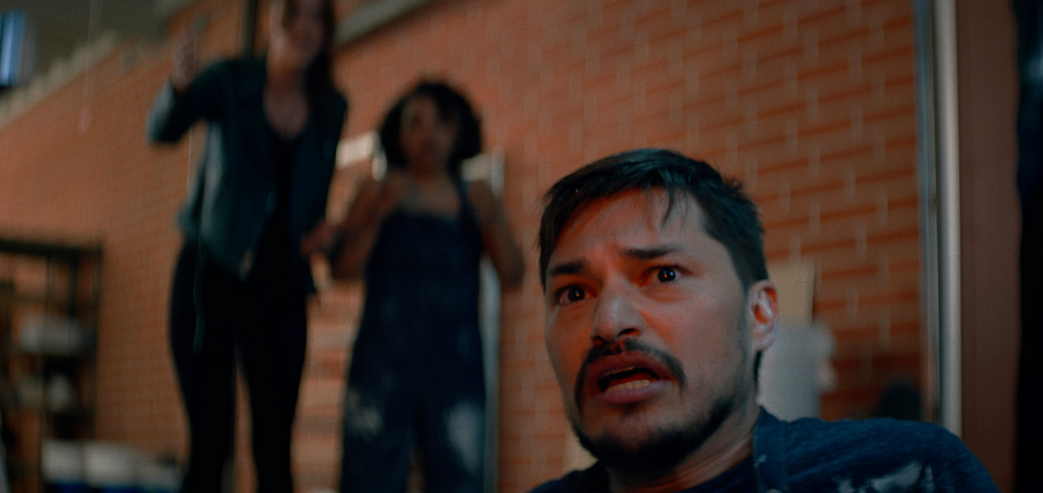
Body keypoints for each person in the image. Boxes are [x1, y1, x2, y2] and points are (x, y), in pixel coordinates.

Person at [531, 148, 1000, 493]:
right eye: (574, 293)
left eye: (664, 274)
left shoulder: (908, 476)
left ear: (759, 315)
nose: (608, 322)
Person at [145, 0, 347, 491]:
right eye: (296, 13)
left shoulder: (332, 107)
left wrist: (324, 235)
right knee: (210, 445)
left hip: (280, 289)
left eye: (317, 18)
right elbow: (162, 131)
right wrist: (179, 86)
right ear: (273, 17)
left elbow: (312, 201)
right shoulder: (230, 80)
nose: (305, 28)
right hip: (212, 273)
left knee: (274, 452)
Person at [331, 80, 524, 493]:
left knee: (458, 483)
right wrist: (374, 215)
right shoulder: (377, 191)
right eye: (415, 122)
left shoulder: (475, 197)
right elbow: (343, 270)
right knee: (368, 481)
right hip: (381, 369)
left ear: (459, 131)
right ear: (398, 135)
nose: (428, 134)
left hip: (456, 370)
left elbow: (513, 275)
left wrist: (493, 219)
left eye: (441, 122)